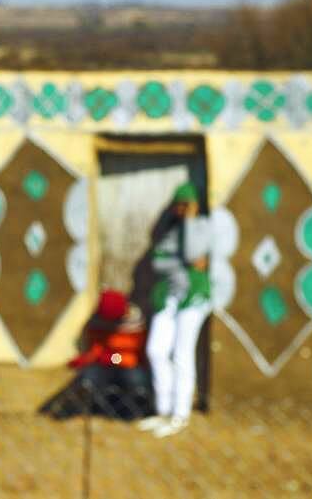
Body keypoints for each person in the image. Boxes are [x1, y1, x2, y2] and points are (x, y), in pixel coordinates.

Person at [136, 182, 212, 438]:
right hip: (169, 296)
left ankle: (180, 415)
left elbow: (193, 254)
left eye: (186, 205)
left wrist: (190, 224)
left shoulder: (202, 227)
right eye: (179, 205)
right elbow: (158, 261)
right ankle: (163, 410)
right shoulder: (170, 232)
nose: (182, 210)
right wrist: (182, 265)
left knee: (182, 353)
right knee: (156, 350)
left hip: (194, 297)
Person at [41, 289, 148, 420]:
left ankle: (134, 412)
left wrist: (110, 357)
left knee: (135, 379)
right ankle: (73, 409)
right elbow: (95, 347)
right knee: (89, 377)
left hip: (128, 365)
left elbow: (133, 356)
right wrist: (87, 358)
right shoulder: (97, 320)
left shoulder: (135, 322)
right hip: (104, 364)